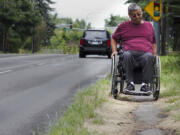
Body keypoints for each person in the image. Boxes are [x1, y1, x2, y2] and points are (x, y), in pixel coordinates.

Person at [111, 3, 157, 93]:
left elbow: (154, 42)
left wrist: (154, 54)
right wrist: (114, 51)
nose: (137, 17)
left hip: (145, 54)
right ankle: (130, 84)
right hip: (129, 53)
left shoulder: (149, 26)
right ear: (129, 15)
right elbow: (113, 38)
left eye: (138, 14)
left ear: (142, 13)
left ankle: (145, 85)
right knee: (126, 54)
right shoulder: (123, 26)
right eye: (134, 15)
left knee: (149, 56)